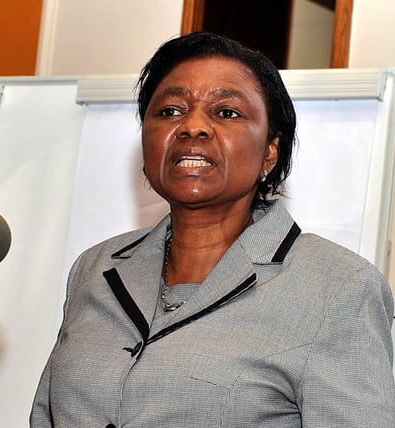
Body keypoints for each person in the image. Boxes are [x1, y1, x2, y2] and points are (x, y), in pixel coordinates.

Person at [30, 32, 395, 427]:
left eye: (227, 113)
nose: (193, 127)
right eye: (170, 110)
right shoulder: (96, 268)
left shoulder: (339, 287)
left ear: (270, 151)